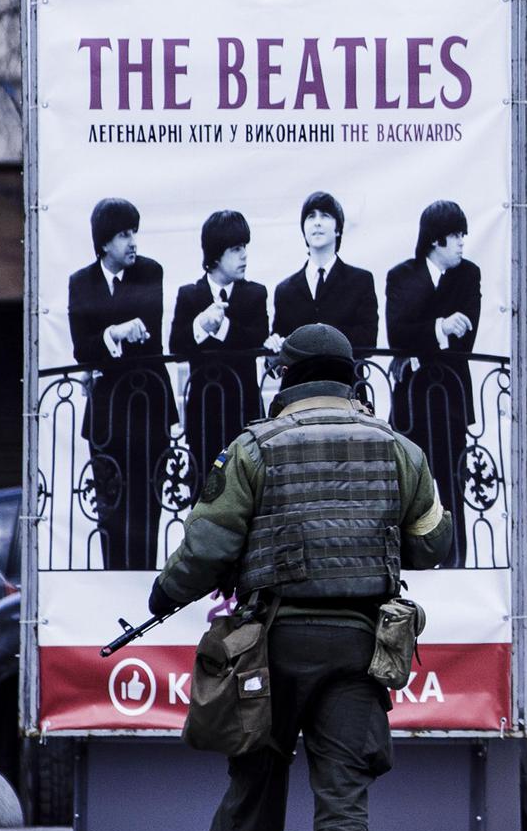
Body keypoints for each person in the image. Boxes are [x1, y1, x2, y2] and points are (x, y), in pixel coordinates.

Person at [153, 323, 453, 831]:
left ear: (285, 377)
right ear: (351, 377)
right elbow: (435, 543)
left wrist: (166, 592)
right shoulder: (399, 450)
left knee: (253, 788)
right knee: (342, 797)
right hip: (357, 647)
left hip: (272, 646)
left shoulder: (254, 448)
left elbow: (206, 548)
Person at [67, 197, 173, 570]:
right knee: (110, 506)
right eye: (124, 235)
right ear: (104, 242)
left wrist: (105, 342)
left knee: (147, 506)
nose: (133, 242)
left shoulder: (149, 271)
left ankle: (144, 582)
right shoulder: (81, 282)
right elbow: (82, 348)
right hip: (107, 414)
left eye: (134, 233)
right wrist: (115, 332)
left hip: (148, 407)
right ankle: (113, 583)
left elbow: (148, 332)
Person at [385, 201, 483, 568]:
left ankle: (456, 560)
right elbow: (397, 335)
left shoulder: (468, 275)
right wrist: (440, 327)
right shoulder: (402, 276)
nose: (461, 243)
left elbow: (466, 341)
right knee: (409, 484)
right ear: (435, 240)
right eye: (456, 235)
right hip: (412, 400)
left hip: (451, 399)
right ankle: (408, 562)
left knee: (452, 481)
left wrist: (421, 341)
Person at [169, 209, 269, 494]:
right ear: (215, 254)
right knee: (205, 492)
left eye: (245, 248)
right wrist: (201, 324)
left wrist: (222, 328)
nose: (245, 256)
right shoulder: (189, 295)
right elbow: (176, 345)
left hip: (244, 411)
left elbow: (257, 338)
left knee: (248, 491)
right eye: (236, 249)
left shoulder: (255, 293)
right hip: (204, 414)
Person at [270, 192, 378, 352]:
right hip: (302, 377)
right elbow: (280, 353)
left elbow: (368, 339)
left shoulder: (361, 281)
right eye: (311, 216)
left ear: (338, 229)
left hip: (344, 375)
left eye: (325, 216)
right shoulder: (285, 290)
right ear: (303, 230)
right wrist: (274, 348)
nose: (317, 223)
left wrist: (321, 336)